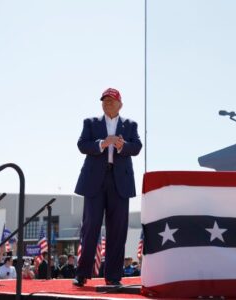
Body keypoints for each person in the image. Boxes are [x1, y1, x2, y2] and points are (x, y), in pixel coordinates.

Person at [73, 88, 142, 287]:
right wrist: (103, 143)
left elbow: (136, 147)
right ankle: (82, 274)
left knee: (118, 231)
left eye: (112, 101)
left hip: (120, 182)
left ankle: (113, 276)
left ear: (120, 104)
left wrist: (121, 145)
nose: (107, 103)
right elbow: (82, 145)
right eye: (104, 101)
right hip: (95, 181)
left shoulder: (130, 125)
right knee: (90, 227)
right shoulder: (90, 123)